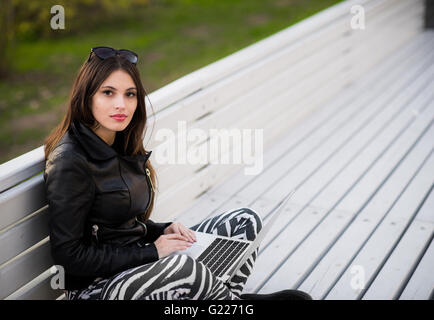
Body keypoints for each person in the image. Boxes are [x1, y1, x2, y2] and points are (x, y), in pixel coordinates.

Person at [43, 46, 312, 300]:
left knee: (245, 221)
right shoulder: (70, 161)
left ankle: (220, 298)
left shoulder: (119, 143)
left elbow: (117, 224)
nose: (121, 105)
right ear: (87, 95)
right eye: (108, 93)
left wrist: (162, 229)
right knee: (184, 267)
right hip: (97, 287)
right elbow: (69, 256)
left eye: (130, 94)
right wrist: (153, 252)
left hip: (135, 264)